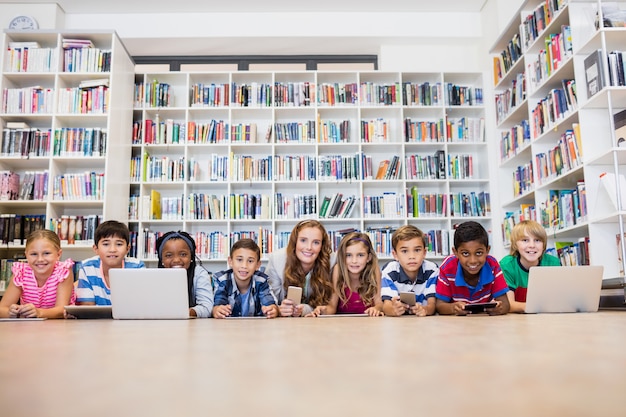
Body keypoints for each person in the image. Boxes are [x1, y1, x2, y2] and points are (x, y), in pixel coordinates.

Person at [435, 221, 510, 316]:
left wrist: (499, 309)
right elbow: (439, 306)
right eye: (465, 253)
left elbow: (506, 304)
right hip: (456, 325)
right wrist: (453, 308)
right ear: (455, 252)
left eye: (478, 253)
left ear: (487, 250)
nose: (473, 261)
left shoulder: (492, 265)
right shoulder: (447, 267)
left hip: (486, 322)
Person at [0, 229, 75, 319]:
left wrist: (39, 312)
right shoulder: (21, 272)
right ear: (26, 255)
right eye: (34, 254)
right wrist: (11, 312)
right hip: (30, 327)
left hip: (59, 325)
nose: (40, 259)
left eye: (46, 253)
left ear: (58, 254)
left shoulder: (63, 271)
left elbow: (61, 310)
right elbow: (2, 309)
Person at [265, 219, 334, 317]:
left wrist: (305, 309)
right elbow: (268, 301)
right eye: (303, 240)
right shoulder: (277, 260)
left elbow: (330, 306)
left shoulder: (331, 262)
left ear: (322, 246)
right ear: (295, 242)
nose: (309, 247)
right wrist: (278, 309)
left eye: (316, 242)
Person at [311, 232, 383, 316]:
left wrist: (376, 309)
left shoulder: (374, 270)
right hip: (342, 325)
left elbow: (379, 303)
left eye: (360, 255)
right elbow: (332, 307)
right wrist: (322, 311)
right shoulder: (338, 270)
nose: (354, 261)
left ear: (368, 258)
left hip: (369, 324)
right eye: (348, 255)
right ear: (342, 257)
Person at [75, 220, 144, 305]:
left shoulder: (137, 267)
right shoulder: (88, 268)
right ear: (96, 249)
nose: (112, 250)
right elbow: (87, 308)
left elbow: (140, 304)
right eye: (106, 244)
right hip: (96, 318)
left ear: (127, 249)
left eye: (119, 244)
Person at [500, 220, 561, 313]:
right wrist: (534, 307)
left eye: (537, 240)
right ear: (515, 244)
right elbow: (508, 304)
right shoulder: (507, 265)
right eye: (525, 240)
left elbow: (560, 299)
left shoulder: (553, 263)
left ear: (544, 244)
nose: (532, 245)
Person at [212, 238, 278, 319]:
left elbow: (270, 304)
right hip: (229, 328)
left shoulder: (261, 281)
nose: (244, 266)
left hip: (256, 328)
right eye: (239, 260)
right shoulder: (223, 280)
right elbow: (218, 304)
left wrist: (272, 310)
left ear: (258, 265)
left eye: (250, 261)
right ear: (230, 261)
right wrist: (217, 310)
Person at [381, 225, 438, 317]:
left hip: (423, 322)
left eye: (417, 250)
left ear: (424, 252)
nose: (412, 256)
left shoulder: (431, 270)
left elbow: (432, 305)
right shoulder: (389, 271)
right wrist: (393, 310)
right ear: (395, 255)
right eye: (404, 251)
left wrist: (425, 310)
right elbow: (386, 305)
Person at [156, 230, 214, 318]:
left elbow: (207, 308)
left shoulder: (199, 273)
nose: (176, 260)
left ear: (191, 257)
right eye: (168, 255)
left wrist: (187, 312)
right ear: (162, 260)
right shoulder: (154, 277)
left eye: (183, 254)